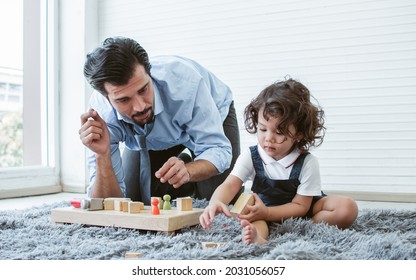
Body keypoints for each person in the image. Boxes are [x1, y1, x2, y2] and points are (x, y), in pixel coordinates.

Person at [78, 37, 241, 205]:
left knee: (223, 198)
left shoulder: (185, 83)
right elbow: (105, 203)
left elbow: (218, 149)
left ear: (150, 73)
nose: (140, 107)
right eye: (124, 100)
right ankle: (181, 175)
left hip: (212, 115)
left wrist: (188, 170)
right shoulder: (101, 114)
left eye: (143, 89)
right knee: (135, 199)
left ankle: (187, 164)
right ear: (107, 98)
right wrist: (102, 155)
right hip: (151, 138)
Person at [199, 78, 358, 244]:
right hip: (263, 208)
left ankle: (307, 227)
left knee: (347, 208)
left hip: (303, 209)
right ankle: (258, 237)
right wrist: (216, 202)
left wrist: (269, 213)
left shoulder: (307, 162)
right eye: (262, 129)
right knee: (252, 217)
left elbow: (301, 206)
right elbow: (230, 184)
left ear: (299, 134)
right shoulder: (251, 155)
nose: (268, 138)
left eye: (279, 132)